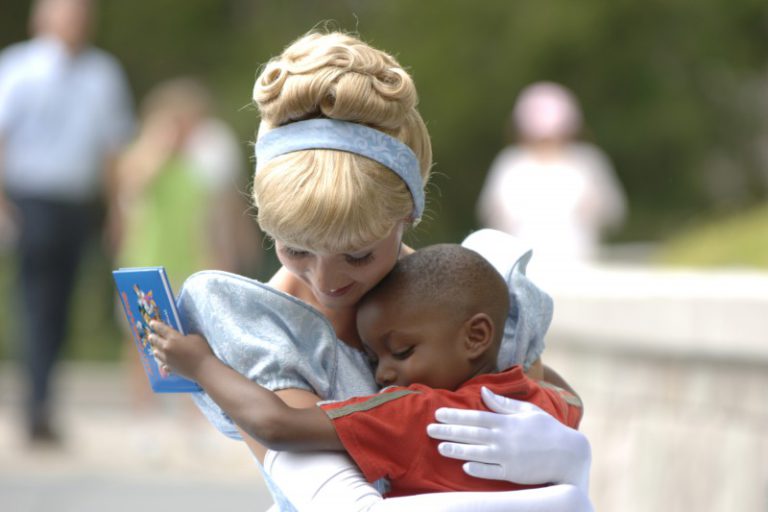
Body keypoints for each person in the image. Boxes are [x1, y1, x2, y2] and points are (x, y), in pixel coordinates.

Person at [155, 31, 592, 511]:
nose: (325, 281)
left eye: (357, 254)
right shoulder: (261, 332)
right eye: (295, 249)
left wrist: (570, 456)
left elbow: (550, 403)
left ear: (406, 217)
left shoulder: (474, 295)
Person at [149, 243, 583, 498]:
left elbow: (278, 424)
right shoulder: (542, 406)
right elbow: (573, 400)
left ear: (476, 337)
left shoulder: (418, 413)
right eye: (375, 359)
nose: (382, 375)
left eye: (402, 351)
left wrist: (201, 363)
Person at [0, 0, 134, 444]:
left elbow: (112, 151)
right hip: (30, 199)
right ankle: (36, 405)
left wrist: (118, 210)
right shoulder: (18, 67)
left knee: (62, 306)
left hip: (77, 204)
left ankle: (43, 401)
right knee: (37, 302)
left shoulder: (103, 74)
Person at [476, 81, 626, 266]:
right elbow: (491, 217)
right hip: (522, 272)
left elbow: (613, 213)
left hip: (581, 269)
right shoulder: (510, 163)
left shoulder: (587, 162)